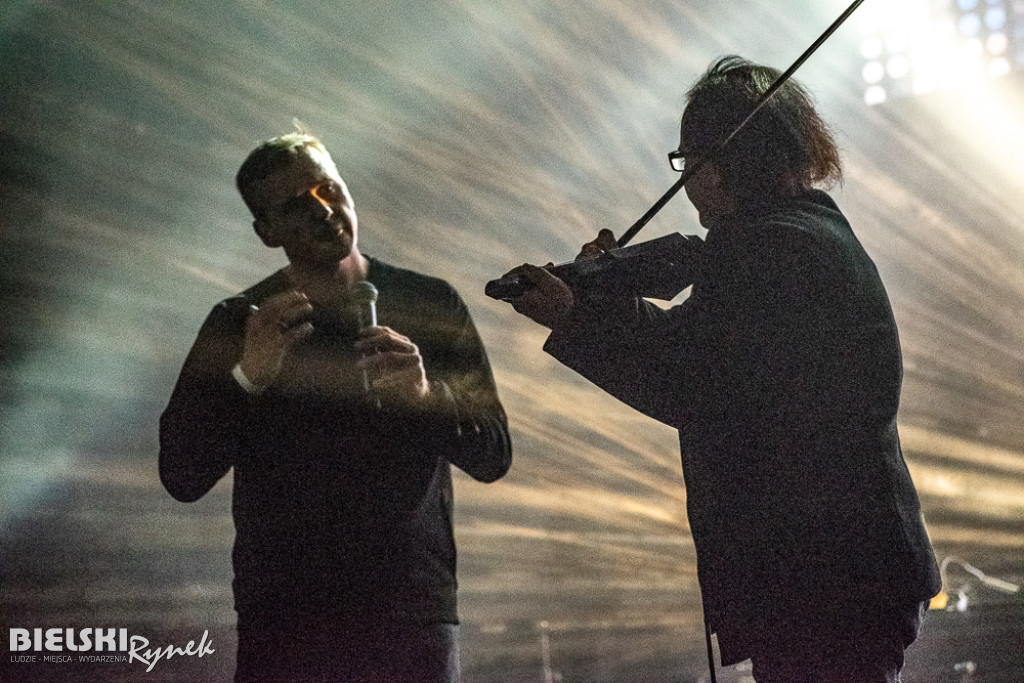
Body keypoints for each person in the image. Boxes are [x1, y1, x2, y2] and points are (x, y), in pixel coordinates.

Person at [502, 56, 940, 682]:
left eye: (689, 161)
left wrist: (577, 315)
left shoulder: (774, 248)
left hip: (827, 575)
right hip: (839, 573)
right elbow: (706, 356)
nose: (688, 184)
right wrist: (601, 295)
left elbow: (690, 377)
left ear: (726, 161)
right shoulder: (801, 234)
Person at [159, 131, 512, 683]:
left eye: (330, 188)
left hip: (409, 609)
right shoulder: (239, 320)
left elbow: (494, 452)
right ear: (266, 231)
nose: (325, 210)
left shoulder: (429, 302)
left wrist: (424, 398)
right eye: (299, 203)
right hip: (286, 618)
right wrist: (247, 377)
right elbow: (181, 473)